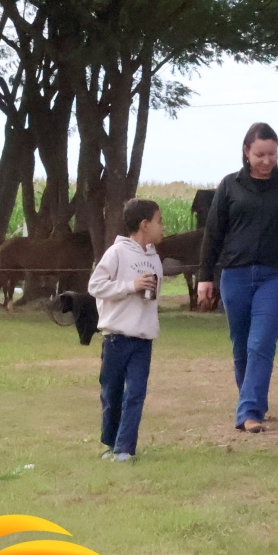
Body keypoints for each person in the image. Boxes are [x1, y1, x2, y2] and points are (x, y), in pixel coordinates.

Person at [198, 122, 278, 433]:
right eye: (260, 154)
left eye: (272, 154)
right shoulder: (230, 186)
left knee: (260, 342)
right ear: (246, 151)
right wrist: (205, 277)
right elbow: (213, 234)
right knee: (241, 345)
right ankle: (252, 401)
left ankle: (249, 412)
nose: (267, 161)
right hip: (235, 275)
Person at [88, 198, 165, 463]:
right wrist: (130, 286)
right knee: (112, 393)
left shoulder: (154, 258)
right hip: (116, 338)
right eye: (159, 221)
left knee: (136, 393)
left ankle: (124, 449)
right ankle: (111, 443)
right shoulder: (117, 253)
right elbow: (95, 286)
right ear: (144, 225)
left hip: (143, 339)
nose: (163, 227)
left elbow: (153, 296)